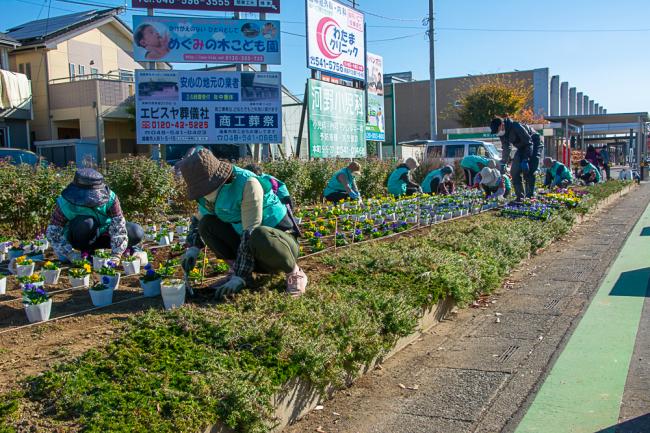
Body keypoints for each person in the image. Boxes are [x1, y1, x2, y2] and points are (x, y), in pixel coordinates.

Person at [178, 148, 306, 298]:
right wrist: (192, 249)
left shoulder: (247, 184)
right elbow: (198, 220)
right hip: (251, 248)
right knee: (206, 225)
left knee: (260, 234)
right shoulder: (206, 195)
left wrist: (241, 276)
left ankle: (295, 273)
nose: (205, 193)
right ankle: (237, 272)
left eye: (207, 188)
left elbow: (250, 232)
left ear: (219, 178)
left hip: (279, 246)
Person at [46, 168, 144, 262]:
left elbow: (118, 224)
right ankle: (86, 252)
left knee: (136, 231)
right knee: (87, 223)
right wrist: (69, 254)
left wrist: (117, 254)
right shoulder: (65, 203)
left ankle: (128, 248)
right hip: (80, 237)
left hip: (105, 234)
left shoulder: (111, 198)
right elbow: (53, 232)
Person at [490, 117, 544, 201]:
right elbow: (506, 147)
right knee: (514, 172)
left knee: (530, 170)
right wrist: (504, 162)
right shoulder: (502, 133)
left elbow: (529, 143)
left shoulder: (516, 126)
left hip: (534, 144)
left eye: (497, 130)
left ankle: (529, 197)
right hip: (522, 147)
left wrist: (526, 159)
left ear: (501, 125)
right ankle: (520, 197)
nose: (497, 133)